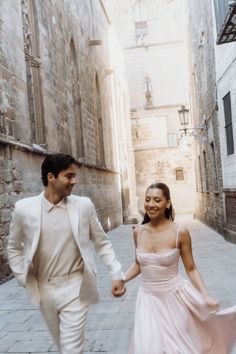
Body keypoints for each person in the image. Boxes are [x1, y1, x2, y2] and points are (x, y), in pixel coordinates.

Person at [7, 153, 126, 354]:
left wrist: (116, 272)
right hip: (44, 290)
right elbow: (13, 247)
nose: (75, 181)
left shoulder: (83, 206)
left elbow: (101, 242)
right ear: (51, 177)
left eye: (74, 176)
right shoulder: (24, 209)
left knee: (71, 349)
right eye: (69, 176)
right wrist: (22, 277)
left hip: (75, 288)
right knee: (64, 347)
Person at [125, 182, 236, 354]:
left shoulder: (180, 232)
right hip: (148, 301)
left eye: (157, 200)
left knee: (178, 348)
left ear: (167, 203)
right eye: (147, 200)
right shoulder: (138, 232)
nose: (151, 204)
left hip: (175, 299)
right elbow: (140, 264)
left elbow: (191, 269)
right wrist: (122, 278)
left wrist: (205, 295)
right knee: (147, 347)